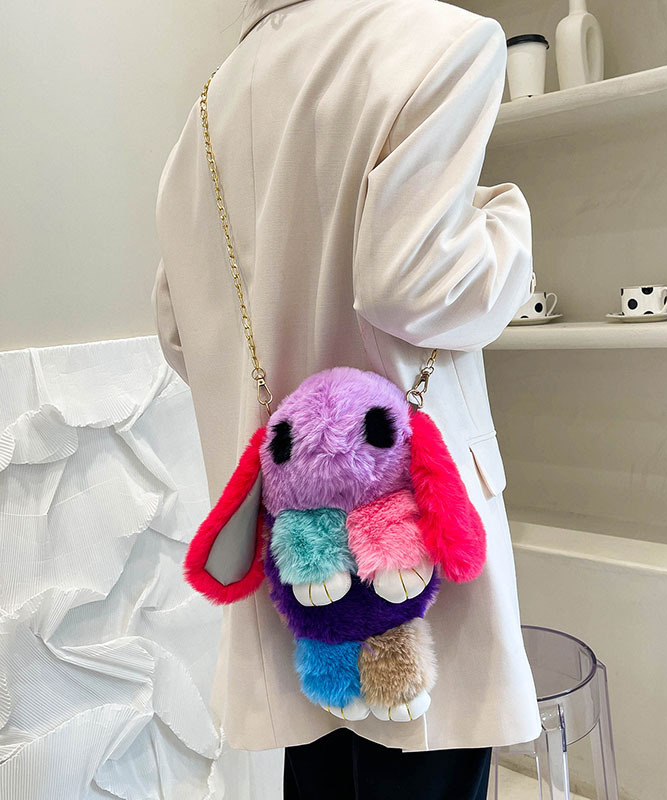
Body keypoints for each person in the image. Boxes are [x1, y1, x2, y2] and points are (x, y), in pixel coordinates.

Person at [151, 0, 541, 796]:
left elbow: (178, 328)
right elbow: (415, 284)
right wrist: (507, 224)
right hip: (413, 541)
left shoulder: (203, 117)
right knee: (422, 755)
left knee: (318, 767)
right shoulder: (445, 42)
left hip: (289, 546)